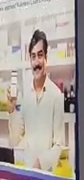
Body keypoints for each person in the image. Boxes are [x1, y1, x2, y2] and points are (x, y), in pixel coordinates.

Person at [7, 30, 66, 172]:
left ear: (46, 58)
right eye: (33, 57)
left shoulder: (56, 96)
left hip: (46, 174)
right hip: (28, 173)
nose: (37, 62)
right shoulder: (25, 95)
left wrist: (41, 162)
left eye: (40, 55)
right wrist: (12, 110)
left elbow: (59, 145)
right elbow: (14, 141)